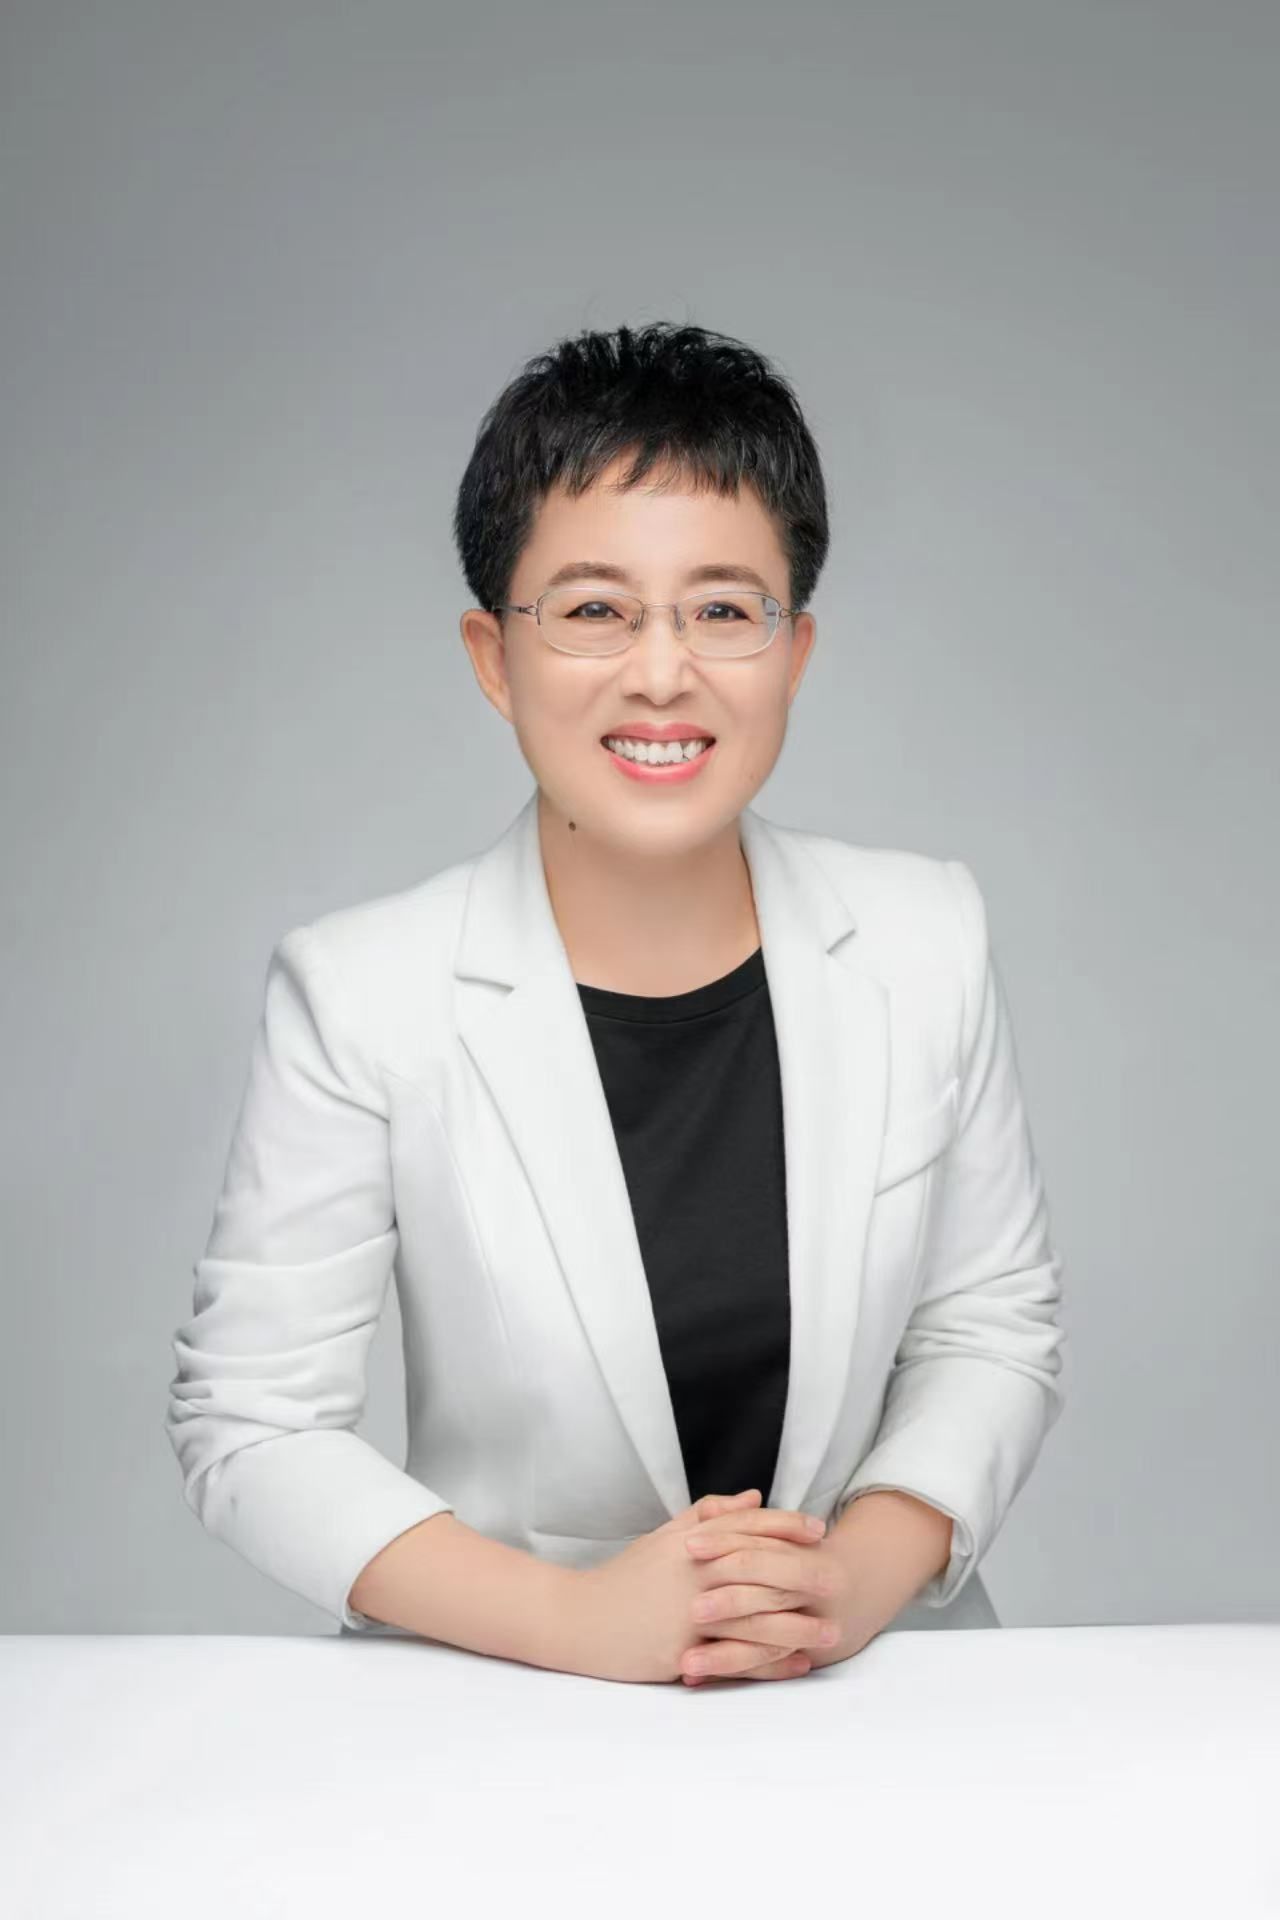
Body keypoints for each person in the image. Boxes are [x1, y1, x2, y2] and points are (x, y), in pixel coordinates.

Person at [165, 320, 1066, 1687]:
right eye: (594, 610)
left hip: (873, 1694)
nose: (661, 671)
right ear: (493, 656)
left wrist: (847, 1581)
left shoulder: (925, 936)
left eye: (724, 610)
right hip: (518, 1699)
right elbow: (251, 1422)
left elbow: (987, 1328)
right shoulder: (360, 994)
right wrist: (575, 1622)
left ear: (795, 652)